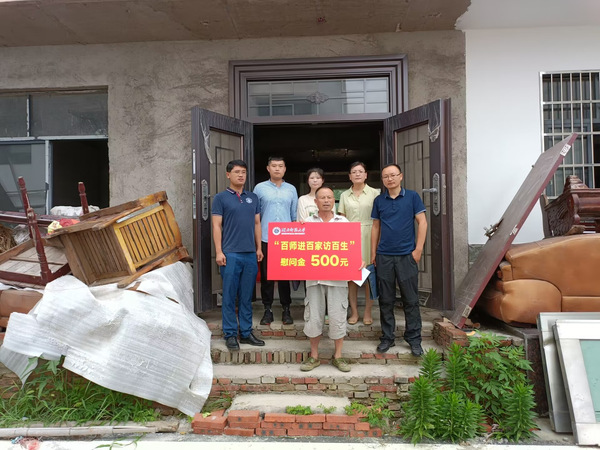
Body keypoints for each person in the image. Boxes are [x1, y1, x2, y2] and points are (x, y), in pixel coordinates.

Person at [300, 186, 363, 373]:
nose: (326, 200)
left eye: (329, 197)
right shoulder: (306, 223)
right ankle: (314, 356)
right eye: (322, 198)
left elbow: (352, 247)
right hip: (314, 279)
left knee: (337, 316)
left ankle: (338, 356)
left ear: (333, 201)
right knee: (313, 317)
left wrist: (358, 259)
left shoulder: (343, 222)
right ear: (316, 201)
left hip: (338, 279)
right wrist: (296, 231)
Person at [371, 164, 427, 357]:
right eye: (386, 176)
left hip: (406, 255)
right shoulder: (379, 200)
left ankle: (414, 339)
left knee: (410, 299)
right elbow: (376, 227)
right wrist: (373, 252)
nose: (390, 179)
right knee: (386, 300)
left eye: (393, 175)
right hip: (384, 256)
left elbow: (422, 222)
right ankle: (387, 337)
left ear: (401, 176)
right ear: (383, 180)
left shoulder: (412, 197)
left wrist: (418, 249)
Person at [211, 160, 265, 351]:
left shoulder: (253, 198)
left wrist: (259, 248)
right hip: (230, 254)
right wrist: (219, 251)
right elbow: (216, 225)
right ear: (228, 175)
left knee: (246, 296)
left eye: (243, 172)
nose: (241, 175)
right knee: (229, 296)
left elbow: (257, 224)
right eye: (236, 172)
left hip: (250, 253)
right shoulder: (221, 198)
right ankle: (230, 334)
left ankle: (246, 332)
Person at [254, 156, 298, 325]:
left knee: (285, 276)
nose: (277, 169)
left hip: (286, 239)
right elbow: (256, 218)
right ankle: (268, 309)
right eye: (274, 166)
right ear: (268, 168)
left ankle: (286, 309)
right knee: (267, 276)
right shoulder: (259, 188)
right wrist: (258, 245)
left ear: (285, 169)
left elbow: (294, 216)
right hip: (266, 237)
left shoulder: (291, 189)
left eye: (280, 166)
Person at [337, 161, 380, 325]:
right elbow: (341, 219)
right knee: (351, 276)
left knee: (369, 274)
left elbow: (378, 220)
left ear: (366, 175)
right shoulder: (344, 195)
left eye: (360, 171)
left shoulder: (375, 193)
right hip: (350, 236)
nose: (357, 174)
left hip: (370, 233)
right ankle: (354, 312)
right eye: (354, 172)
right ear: (350, 176)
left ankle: (368, 311)